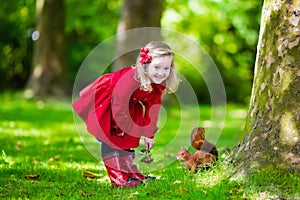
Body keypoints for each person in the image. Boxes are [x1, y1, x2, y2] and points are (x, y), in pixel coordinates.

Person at [72, 41, 180, 187]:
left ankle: (129, 172)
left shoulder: (157, 85)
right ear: (145, 65)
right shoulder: (130, 79)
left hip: (129, 106)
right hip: (108, 101)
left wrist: (149, 134)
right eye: (156, 67)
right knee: (110, 138)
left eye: (166, 68)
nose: (161, 73)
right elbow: (118, 105)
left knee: (127, 139)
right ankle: (117, 176)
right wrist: (126, 127)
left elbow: (153, 108)